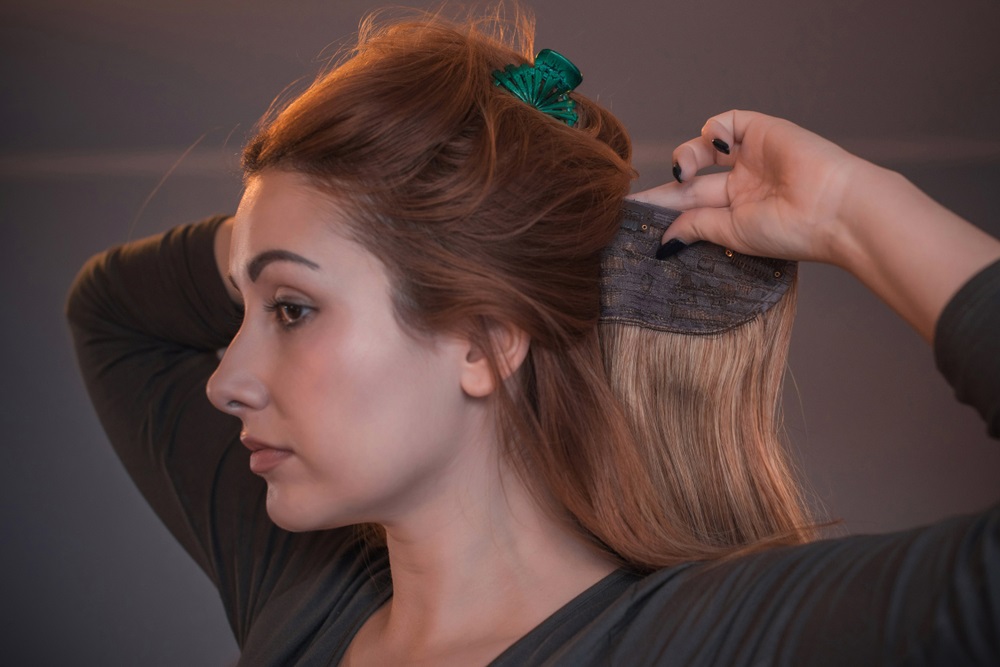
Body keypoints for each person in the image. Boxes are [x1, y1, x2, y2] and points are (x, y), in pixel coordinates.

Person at [67, 10, 1000, 666]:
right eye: (244, 307)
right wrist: (291, 230)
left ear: (483, 341)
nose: (224, 379)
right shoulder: (303, 592)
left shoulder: (704, 639)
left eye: (292, 310)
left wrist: (849, 211)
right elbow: (115, 313)